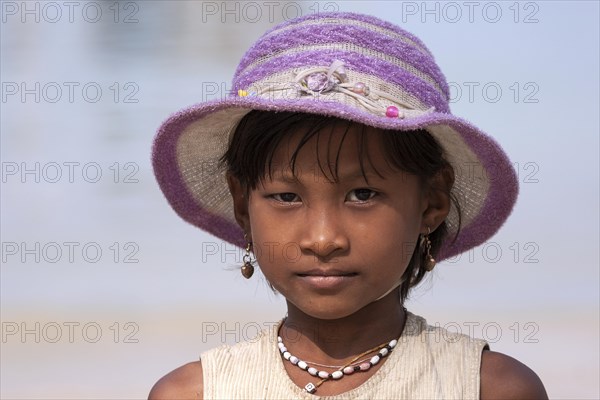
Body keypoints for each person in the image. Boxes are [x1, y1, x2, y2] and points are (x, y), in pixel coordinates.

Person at [149, 12, 547, 399]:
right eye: (286, 197)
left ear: (432, 203)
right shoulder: (196, 392)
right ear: (243, 205)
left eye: (362, 195)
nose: (323, 239)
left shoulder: (486, 388)